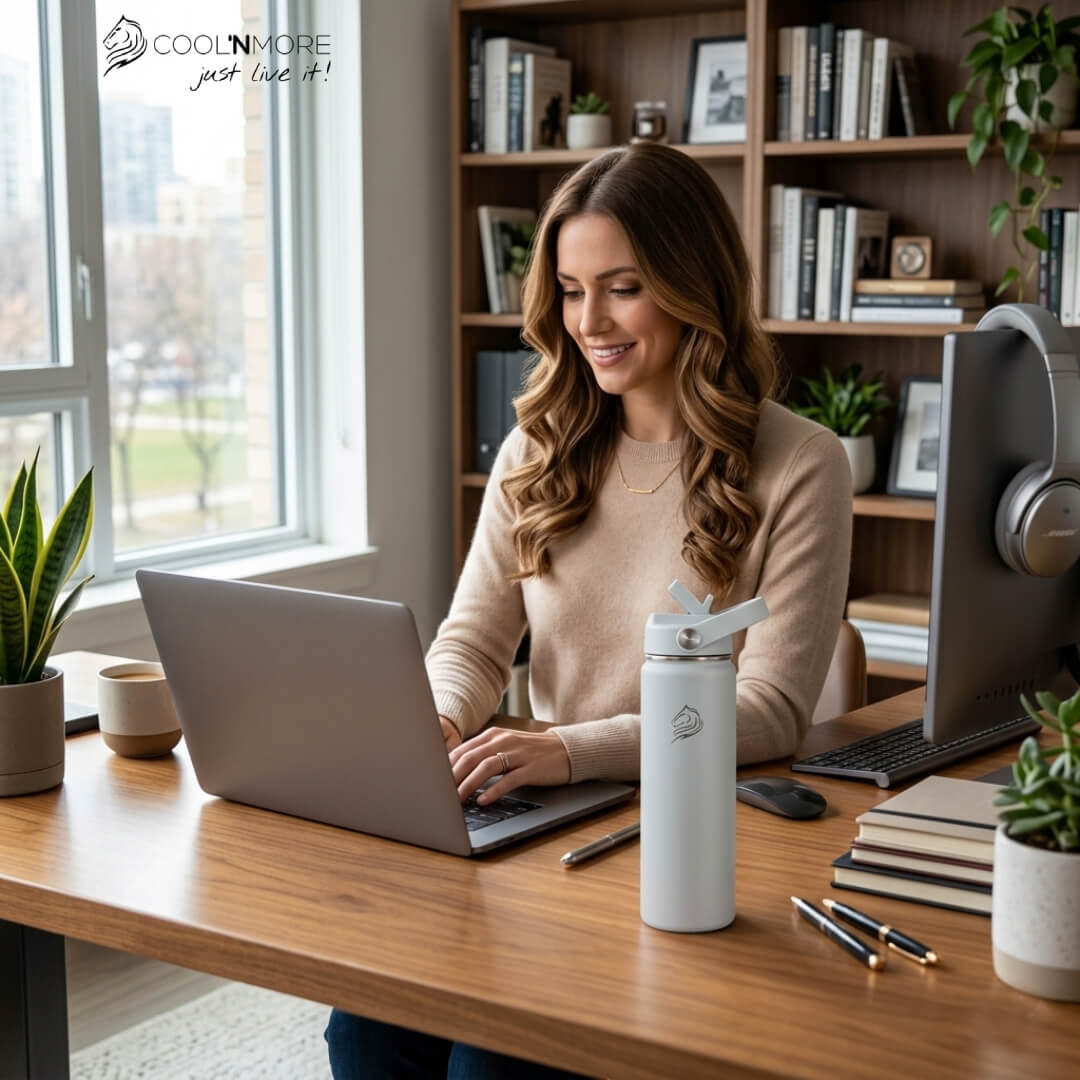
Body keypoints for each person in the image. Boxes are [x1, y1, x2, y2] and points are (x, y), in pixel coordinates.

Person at [326, 141, 853, 1079]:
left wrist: (571, 748)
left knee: (490, 1066)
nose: (589, 321)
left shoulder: (801, 462)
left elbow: (770, 708)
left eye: (621, 287)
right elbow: (473, 643)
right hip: (529, 817)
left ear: (694, 286)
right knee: (364, 1019)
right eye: (570, 290)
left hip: (670, 838)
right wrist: (442, 713)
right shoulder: (539, 442)